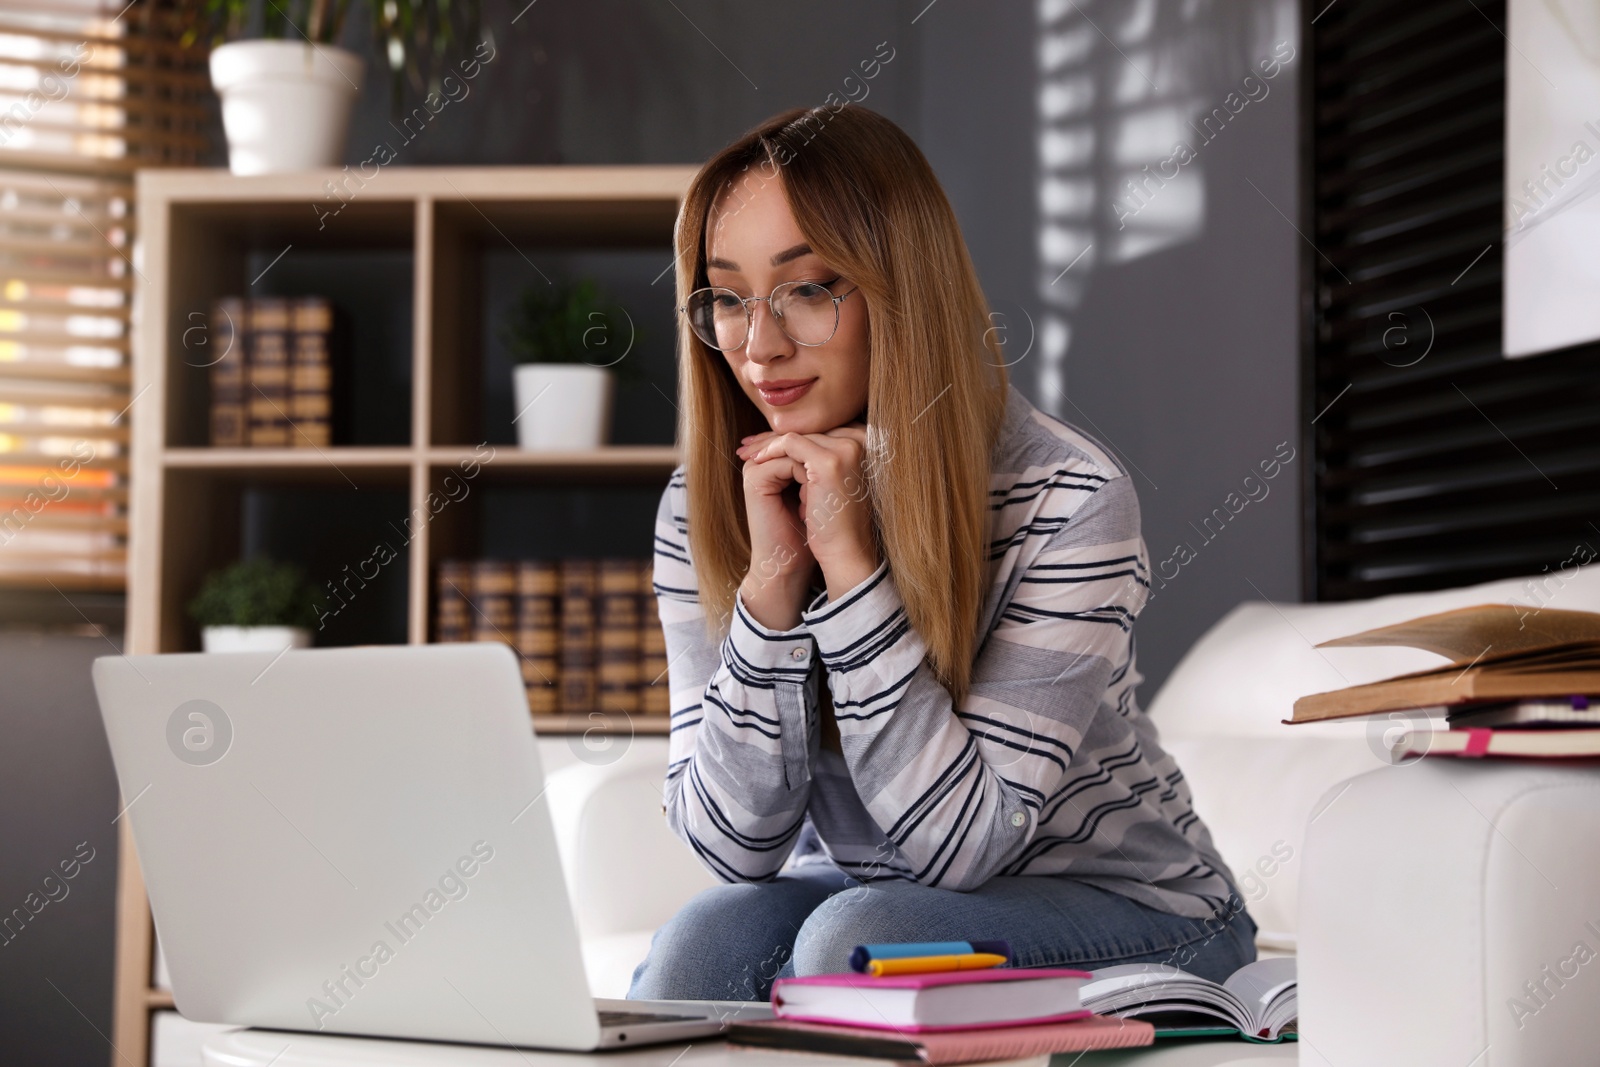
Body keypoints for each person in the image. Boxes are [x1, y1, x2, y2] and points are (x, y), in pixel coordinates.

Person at [627, 104, 1254, 1003]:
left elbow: (957, 845)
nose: (759, 345)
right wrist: (771, 589)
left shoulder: (1068, 497)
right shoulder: (704, 507)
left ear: (899, 288)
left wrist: (849, 572)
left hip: (1142, 906)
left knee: (855, 939)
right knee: (703, 943)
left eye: (808, 288)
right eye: (728, 297)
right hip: (893, 895)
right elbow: (732, 849)